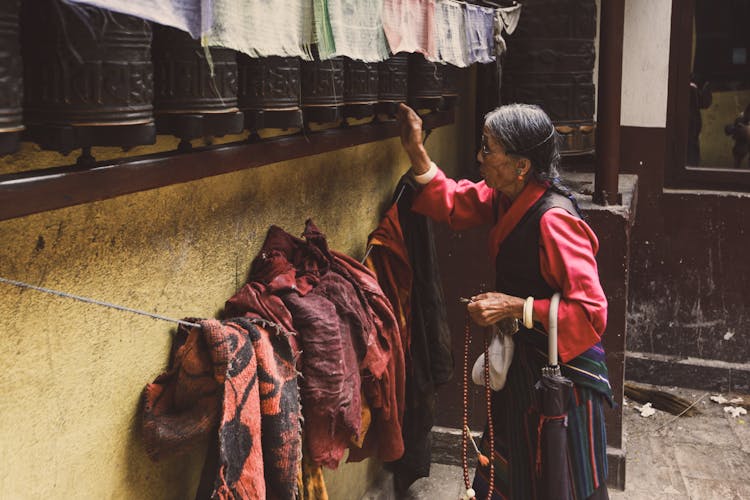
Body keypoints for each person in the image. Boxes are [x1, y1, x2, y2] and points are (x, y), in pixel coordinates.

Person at [396, 102, 612, 500]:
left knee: (562, 477)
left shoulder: (553, 219)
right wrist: (416, 151)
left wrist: (515, 307)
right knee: (513, 468)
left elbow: (591, 312)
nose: (479, 157)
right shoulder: (509, 198)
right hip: (525, 368)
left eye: (488, 149)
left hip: (563, 374)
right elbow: (456, 202)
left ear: (521, 165)